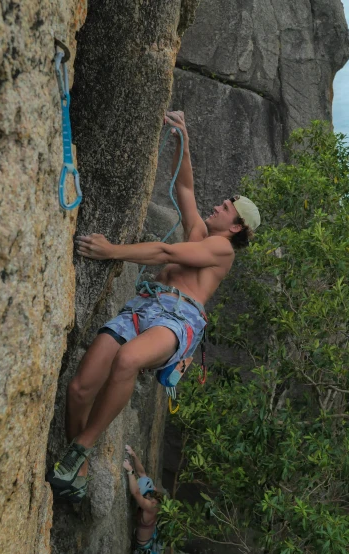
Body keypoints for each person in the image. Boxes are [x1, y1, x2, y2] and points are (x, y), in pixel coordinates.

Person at [47, 111, 261, 501]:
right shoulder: (200, 232)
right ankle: (76, 467)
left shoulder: (220, 249)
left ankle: (81, 448)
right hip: (142, 308)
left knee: (128, 360)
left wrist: (112, 251)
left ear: (235, 228)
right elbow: (185, 188)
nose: (219, 205)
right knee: (79, 389)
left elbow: (163, 250)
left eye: (227, 207)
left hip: (176, 321)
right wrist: (184, 138)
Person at [123, 445, 163, 553]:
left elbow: (136, 493)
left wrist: (130, 471)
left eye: (144, 496)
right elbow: (142, 473)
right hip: (146, 539)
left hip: (143, 547)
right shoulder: (153, 491)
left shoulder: (152, 506)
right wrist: (133, 455)